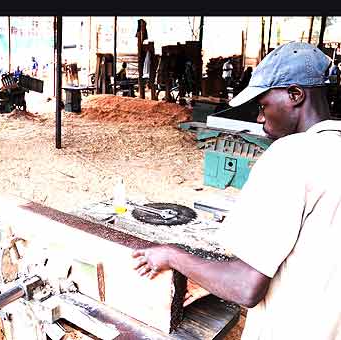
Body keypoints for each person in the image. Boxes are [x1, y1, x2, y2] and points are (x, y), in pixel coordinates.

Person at [132, 42, 341, 340]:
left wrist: (172, 255)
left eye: (263, 105)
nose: (259, 118)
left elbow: (245, 286)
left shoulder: (290, 156)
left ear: (295, 95)